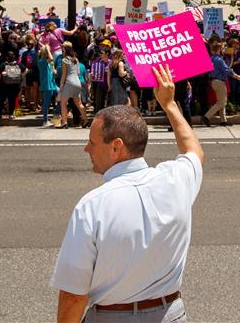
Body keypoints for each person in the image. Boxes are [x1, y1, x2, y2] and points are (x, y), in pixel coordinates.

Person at [52, 64, 203, 322]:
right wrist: (169, 104)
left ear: (116, 147)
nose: (86, 149)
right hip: (170, 314)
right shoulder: (176, 179)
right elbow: (194, 150)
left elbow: (74, 295)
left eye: (92, 142)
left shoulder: (93, 205)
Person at [202, 39, 240, 126]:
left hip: (213, 81)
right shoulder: (219, 60)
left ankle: (223, 120)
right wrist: (237, 76)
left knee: (221, 101)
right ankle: (206, 116)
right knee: (221, 102)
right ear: (219, 50)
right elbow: (227, 70)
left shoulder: (211, 59)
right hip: (220, 82)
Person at [58, 42, 87, 129]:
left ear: (65, 49)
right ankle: (85, 121)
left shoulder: (64, 60)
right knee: (79, 103)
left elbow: (64, 75)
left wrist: (61, 86)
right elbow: (78, 72)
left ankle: (64, 122)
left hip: (69, 82)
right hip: (77, 82)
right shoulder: (76, 59)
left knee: (63, 103)